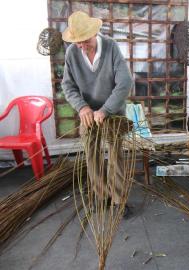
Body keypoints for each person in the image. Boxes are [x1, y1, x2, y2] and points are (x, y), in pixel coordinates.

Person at [61, 11, 133, 217]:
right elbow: (68, 86)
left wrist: (106, 110)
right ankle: (102, 195)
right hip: (88, 113)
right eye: (78, 42)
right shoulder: (72, 54)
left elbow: (125, 83)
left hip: (113, 111)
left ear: (94, 33)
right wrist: (82, 107)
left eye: (85, 41)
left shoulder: (111, 47)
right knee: (92, 154)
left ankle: (119, 200)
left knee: (115, 154)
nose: (82, 46)